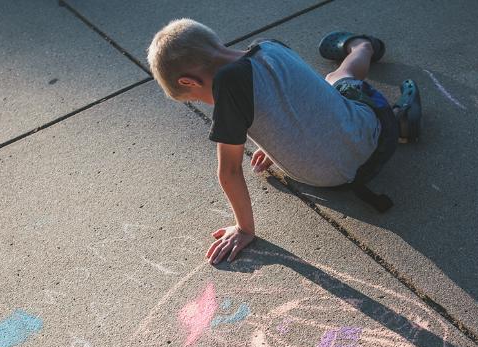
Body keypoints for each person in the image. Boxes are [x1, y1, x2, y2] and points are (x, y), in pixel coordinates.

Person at [147, 19, 421, 265]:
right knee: (333, 81)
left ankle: (365, 49)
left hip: (332, 177)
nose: (209, 104)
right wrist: (277, 142)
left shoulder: (227, 86)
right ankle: (370, 68)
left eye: (198, 99)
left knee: (338, 79)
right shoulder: (270, 46)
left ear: (189, 82)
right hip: (369, 140)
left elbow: (229, 171)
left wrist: (244, 229)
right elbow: (302, 101)